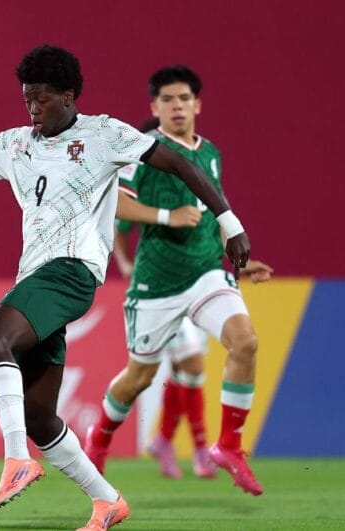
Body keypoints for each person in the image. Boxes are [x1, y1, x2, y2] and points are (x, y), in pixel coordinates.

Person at [0, 44, 250, 530]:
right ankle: (107, 502)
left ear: (68, 95)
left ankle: (15, 459)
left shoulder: (104, 134)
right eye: (27, 100)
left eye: (41, 99)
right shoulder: (18, 143)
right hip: (38, 277)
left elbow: (183, 164)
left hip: (73, 270)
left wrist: (230, 223)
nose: (33, 109)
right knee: (40, 416)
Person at [85, 65, 272, 496]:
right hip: (157, 284)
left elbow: (214, 215)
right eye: (167, 99)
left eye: (184, 98)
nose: (177, 106)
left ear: (197, 105)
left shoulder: (211, 153)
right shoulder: (144, 151)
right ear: (154, 107)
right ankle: (100, 438)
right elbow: (116, 207)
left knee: (245, 342)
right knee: (139, 378)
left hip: (207, 272)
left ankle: (228, 445)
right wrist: (167, 216)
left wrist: (240, 261)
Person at [112, 117, 217, 480]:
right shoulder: (142, 178)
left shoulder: (195, 174)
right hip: (161, 286)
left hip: (199, 278)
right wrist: (125, 263)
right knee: (191, 366)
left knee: (186, 371)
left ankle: (164, 440)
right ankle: (201, 449)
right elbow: (120, 224)